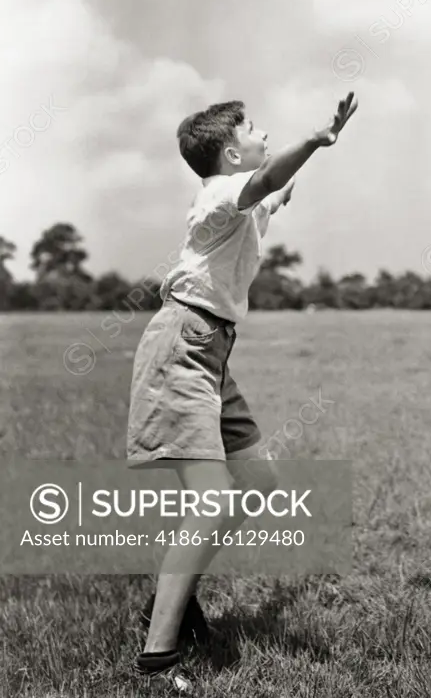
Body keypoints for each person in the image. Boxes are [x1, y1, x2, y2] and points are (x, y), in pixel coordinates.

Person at [127, 91, 357, 691]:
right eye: (253, 129)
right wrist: (313, 140)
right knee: (213, 500)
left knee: (257, 485)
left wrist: (289, 183)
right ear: (232, 153)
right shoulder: (217, 195)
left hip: (213, 352)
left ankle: (167, 603)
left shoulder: (240, 203)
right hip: (183, 344)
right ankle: (157, 659)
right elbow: (265, 182)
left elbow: (270, 196)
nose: (263, 131)